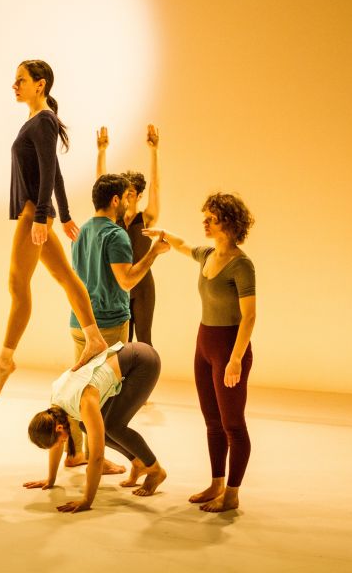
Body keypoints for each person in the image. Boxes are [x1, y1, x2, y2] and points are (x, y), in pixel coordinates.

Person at [0, 60, 107, 398]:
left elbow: (47, 171)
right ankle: (94, 337)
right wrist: (64, 214)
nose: (14, 85)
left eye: (20, 80)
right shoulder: (38, 121)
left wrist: (42, 215)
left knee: (17, 284)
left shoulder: (43, 121)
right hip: (37, 213)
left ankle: (6, 358)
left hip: (32, 215)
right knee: (66, 276)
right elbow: (54, 171)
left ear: (39, 85)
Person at [143, 193, 255, 512]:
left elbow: (249, 316)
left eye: (211, 218)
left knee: (233, 424)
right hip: (204, 345)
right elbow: (182, 246)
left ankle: (232, 493)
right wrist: (163, 235)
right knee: (212, 421)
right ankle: (216, 483)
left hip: (229, 349)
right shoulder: (207, 254)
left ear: (229, 223)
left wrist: (235, 359)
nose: (204, 222)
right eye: (204, 216)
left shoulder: (241, 265)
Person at [65, 173, 169, 467]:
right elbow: (126, 281)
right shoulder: (115, 234)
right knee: (103, 400)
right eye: (126, 197)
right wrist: (154, 254)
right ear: (115, 200)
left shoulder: (82, 231)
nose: (128, 202)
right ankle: (99, 456)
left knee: (81, 391)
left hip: (80, 323)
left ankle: (76, 453)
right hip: (108, 326)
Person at [25, 342, 167, 513]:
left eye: (57, 442)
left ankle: (155, 470)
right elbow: (56, 444)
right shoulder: (54, 410)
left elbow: (97, 457)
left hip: (143, 361)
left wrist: (86, 500)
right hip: (127, 361)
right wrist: (51, 479)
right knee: (86, 426)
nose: (60, 445)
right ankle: (139, 463)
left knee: (114, 426)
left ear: (59, 428)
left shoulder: (85, 402)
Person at [96, 125, 160, 345]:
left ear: (139, 195)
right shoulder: (114, 218)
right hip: (120, 286)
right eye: (124, 192)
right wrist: (102, 151)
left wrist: (154, 151)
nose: (126, 196)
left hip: (143, 287)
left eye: (131, 192)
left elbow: (156, 188)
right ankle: (119, 380)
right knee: (119, 344)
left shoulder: (147, 218)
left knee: (144, 342)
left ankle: (145, 378)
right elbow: (101, 185)